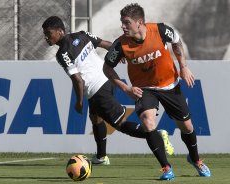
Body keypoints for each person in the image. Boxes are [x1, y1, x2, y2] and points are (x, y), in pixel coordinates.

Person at [41, 16, 174, 165]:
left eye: (48, 33)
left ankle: (156, 134)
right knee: (95, 118)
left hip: (96, 90)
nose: (46, 37)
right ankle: (101, 156)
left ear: (60, 31)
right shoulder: (82, 34)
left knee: (121, 125)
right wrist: (118, 56)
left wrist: (78, 102)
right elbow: (107, 45)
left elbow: (78, 80)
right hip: (107, 81)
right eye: (45, 34)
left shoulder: (62, 54)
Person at [103, 3, 211, 180]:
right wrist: (126, 88)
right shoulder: (120, 45)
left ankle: (196, 159)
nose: (123, 26)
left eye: (126, 22)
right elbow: (107, 68)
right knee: (147, 121)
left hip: (169, 85)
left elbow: (177, 42)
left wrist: (183, 67)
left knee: (187, 127)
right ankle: (166, 167)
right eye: (122, 22)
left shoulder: (160, 30)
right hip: (144, 89)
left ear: (139, 22)